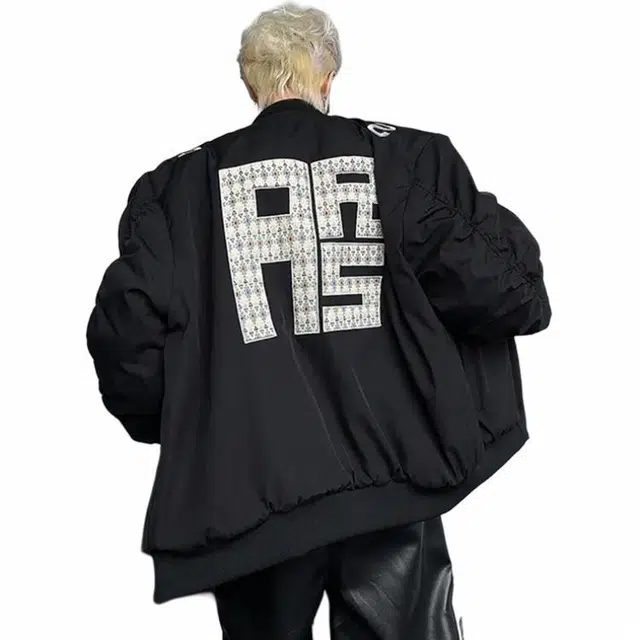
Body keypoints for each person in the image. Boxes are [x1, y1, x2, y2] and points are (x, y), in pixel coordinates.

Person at [86, 3, 551, 638]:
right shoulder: (405, 159)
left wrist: (187, 424)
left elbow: (127, 337)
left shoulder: (176, 188)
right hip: (391, 478)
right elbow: (510, 290)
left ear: (250, 83)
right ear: (328, 77)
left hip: (250, 492)